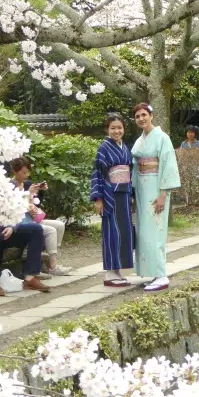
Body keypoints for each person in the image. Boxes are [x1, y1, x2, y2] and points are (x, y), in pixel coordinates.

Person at [131, 103, 181, 292]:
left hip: (156, 187)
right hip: (143, 188)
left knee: (156, 232)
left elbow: (168, 164)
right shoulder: (140, 140)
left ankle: (161, 275)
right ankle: (153, 272)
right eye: (137, 116)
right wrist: (134, 192)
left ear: (151, 115)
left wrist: (163, 194)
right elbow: (136, 165)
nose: (141, 119)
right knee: (144, 232)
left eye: (144, 114)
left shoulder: (162, 137)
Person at [0, 195, 51, 296]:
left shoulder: (2, 188)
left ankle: (30, 278)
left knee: (36, 229)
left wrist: (11, 227)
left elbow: (13, 212)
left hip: (3, 230)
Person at [90, 113, 135, 287]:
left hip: (123, 194)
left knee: (123, 232)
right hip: (109, 195)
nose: (117, 131)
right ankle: (109, 273)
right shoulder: (104, 148)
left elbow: (129, 171)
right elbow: (98, 174)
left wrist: (131, 194)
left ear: (124, 129)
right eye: (113, 128)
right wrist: (98, 198)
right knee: (111, 232)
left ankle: (118, 270)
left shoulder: (124, 147)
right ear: (107, 129)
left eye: (119, 128)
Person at [10, 157, 71, 276]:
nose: (27, 175)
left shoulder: (27, 183)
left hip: (31, 219)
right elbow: (14, 207)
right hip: (19, 222)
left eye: (28, 172)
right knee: (50, 231)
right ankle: (52, 267)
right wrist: (29, 193)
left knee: (59, 225)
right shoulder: (10, 186)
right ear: (14, 171)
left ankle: (47, 260)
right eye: (23, 172)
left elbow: (37, 204)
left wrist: (40, 192)